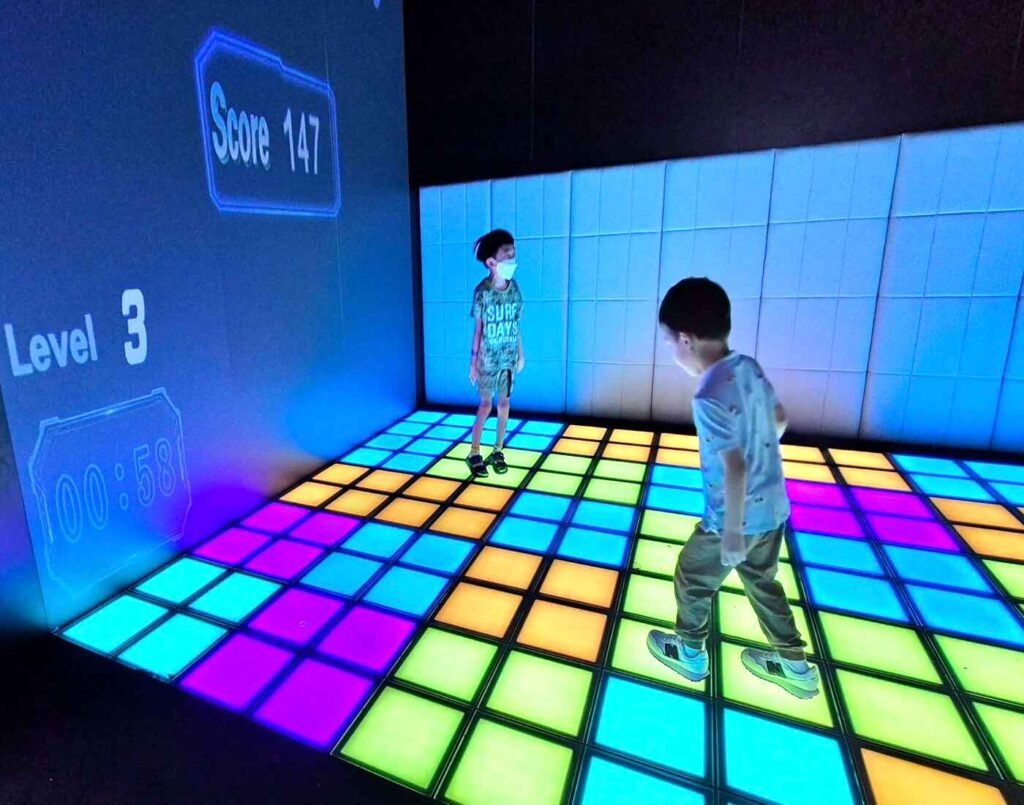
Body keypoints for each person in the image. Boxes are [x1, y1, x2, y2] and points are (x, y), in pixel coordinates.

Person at [646, 277, 819, 699]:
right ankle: (796, 667)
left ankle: (689, 651)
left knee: (691, 575)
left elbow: (734, 466)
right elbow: (778, 420)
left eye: (669, 342)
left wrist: (730, 533)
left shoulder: (707, 395)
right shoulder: (748, 366)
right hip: (774, 507)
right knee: (763, 582)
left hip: (733, 516)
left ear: (686, 340)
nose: (671, 351)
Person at [465, 228, 524, 478]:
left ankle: (497, 450)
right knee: (486, 405)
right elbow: (478, 329)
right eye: (506, 254)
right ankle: (474, 452)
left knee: (504, 404)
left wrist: (521, 353)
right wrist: (473, 361)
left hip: (508, 359)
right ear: (491, 262)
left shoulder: (515, 289)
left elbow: (516, 323)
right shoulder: (482, 292)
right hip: (488, 360)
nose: (512, 258)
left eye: (513, 253)